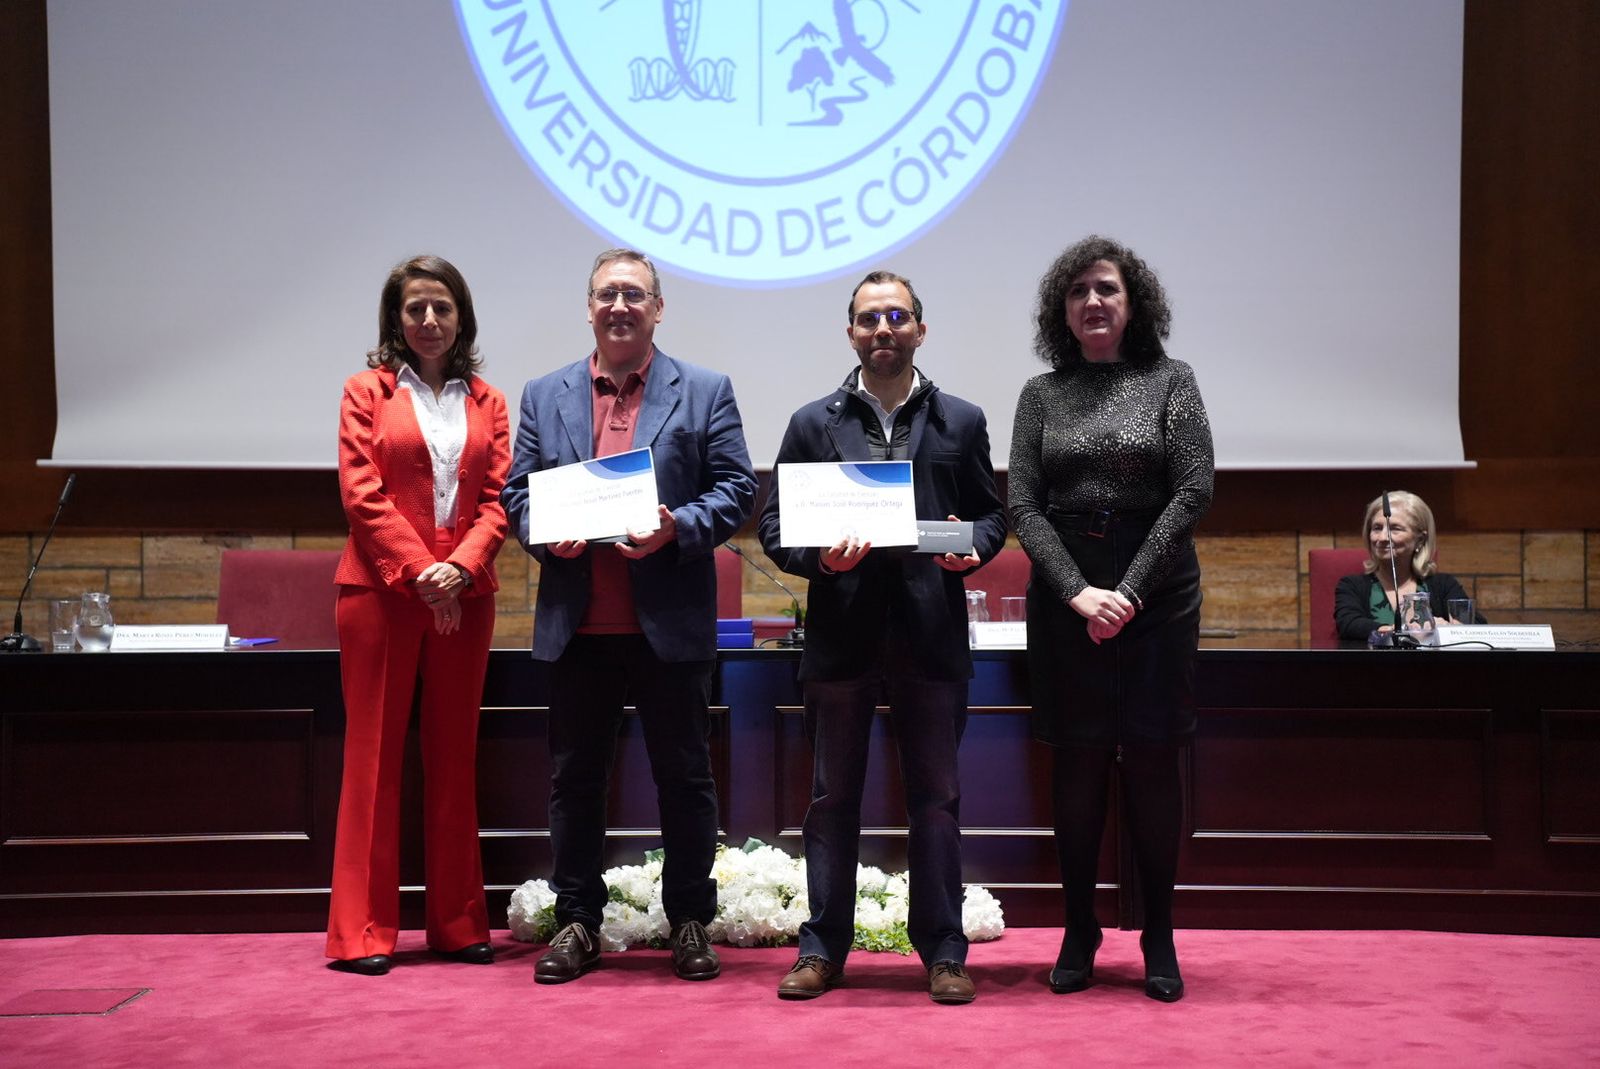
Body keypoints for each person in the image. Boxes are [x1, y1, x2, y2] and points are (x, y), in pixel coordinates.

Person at [502, 248, 756, 985]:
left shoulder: (704, 389)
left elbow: (738, 487)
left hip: (669, 626)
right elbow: (518, 494)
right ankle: (579, 920)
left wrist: (679, 526)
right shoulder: (544, 393)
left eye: (635, 294)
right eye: (607, 293)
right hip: (577, 626)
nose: (620, 305)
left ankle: (689, 920)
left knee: (685, 779)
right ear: (589, 307)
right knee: (575, 782)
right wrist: (546, 533)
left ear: (658, 308)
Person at [759, 270, 1007, 1005]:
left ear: (920, 330)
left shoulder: (962, 419)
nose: (883, 329)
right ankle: (821, 949)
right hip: (842, 639)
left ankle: (944, 952)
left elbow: (991, 516)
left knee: (936, 802)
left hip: (931, 638)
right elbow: (774, 526)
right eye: (869, 318)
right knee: (832, 800)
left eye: (897, 316)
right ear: (851, 334)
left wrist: (972, 548)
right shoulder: (812, 423)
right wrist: (820, 559)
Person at [1009, 236, 1214, 1003]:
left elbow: (1193, 489)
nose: (1092, 302)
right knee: (1077, 762)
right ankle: (1079, 927)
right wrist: (1079, 592)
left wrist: (1126, 590)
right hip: (1067, 594)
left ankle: (1158, 930)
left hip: (1157, 592)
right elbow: (1023, 503)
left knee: (1155, 759)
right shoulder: (1041, 393)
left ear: (1135, 304)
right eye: (1078, 292)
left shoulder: (1172, 380)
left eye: (1107, 289)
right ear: (1061, 311)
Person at [327, 255, 510, 975]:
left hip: (466, 592)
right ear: (395, 319)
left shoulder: (489, 401)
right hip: (379, 594)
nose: (429, 321)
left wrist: (458, 569)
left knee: (454, 756)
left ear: (462, 317)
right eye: (415, 309)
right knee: (372, 758)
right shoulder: (364, 390)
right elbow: (361, 492)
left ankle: (458, 922)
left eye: (442, 307)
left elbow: (498, 499)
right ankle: (362, 931)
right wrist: (421, 571)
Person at [1333, 490, 1483, 641]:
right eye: (1377, 528)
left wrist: (1448, 629)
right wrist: (1402, 632)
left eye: (1395, 528)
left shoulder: (1443, 585)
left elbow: (1477, 625)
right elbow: (1348, 624)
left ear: (1420, 539)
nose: (1383, 537)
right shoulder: (1351, 585)